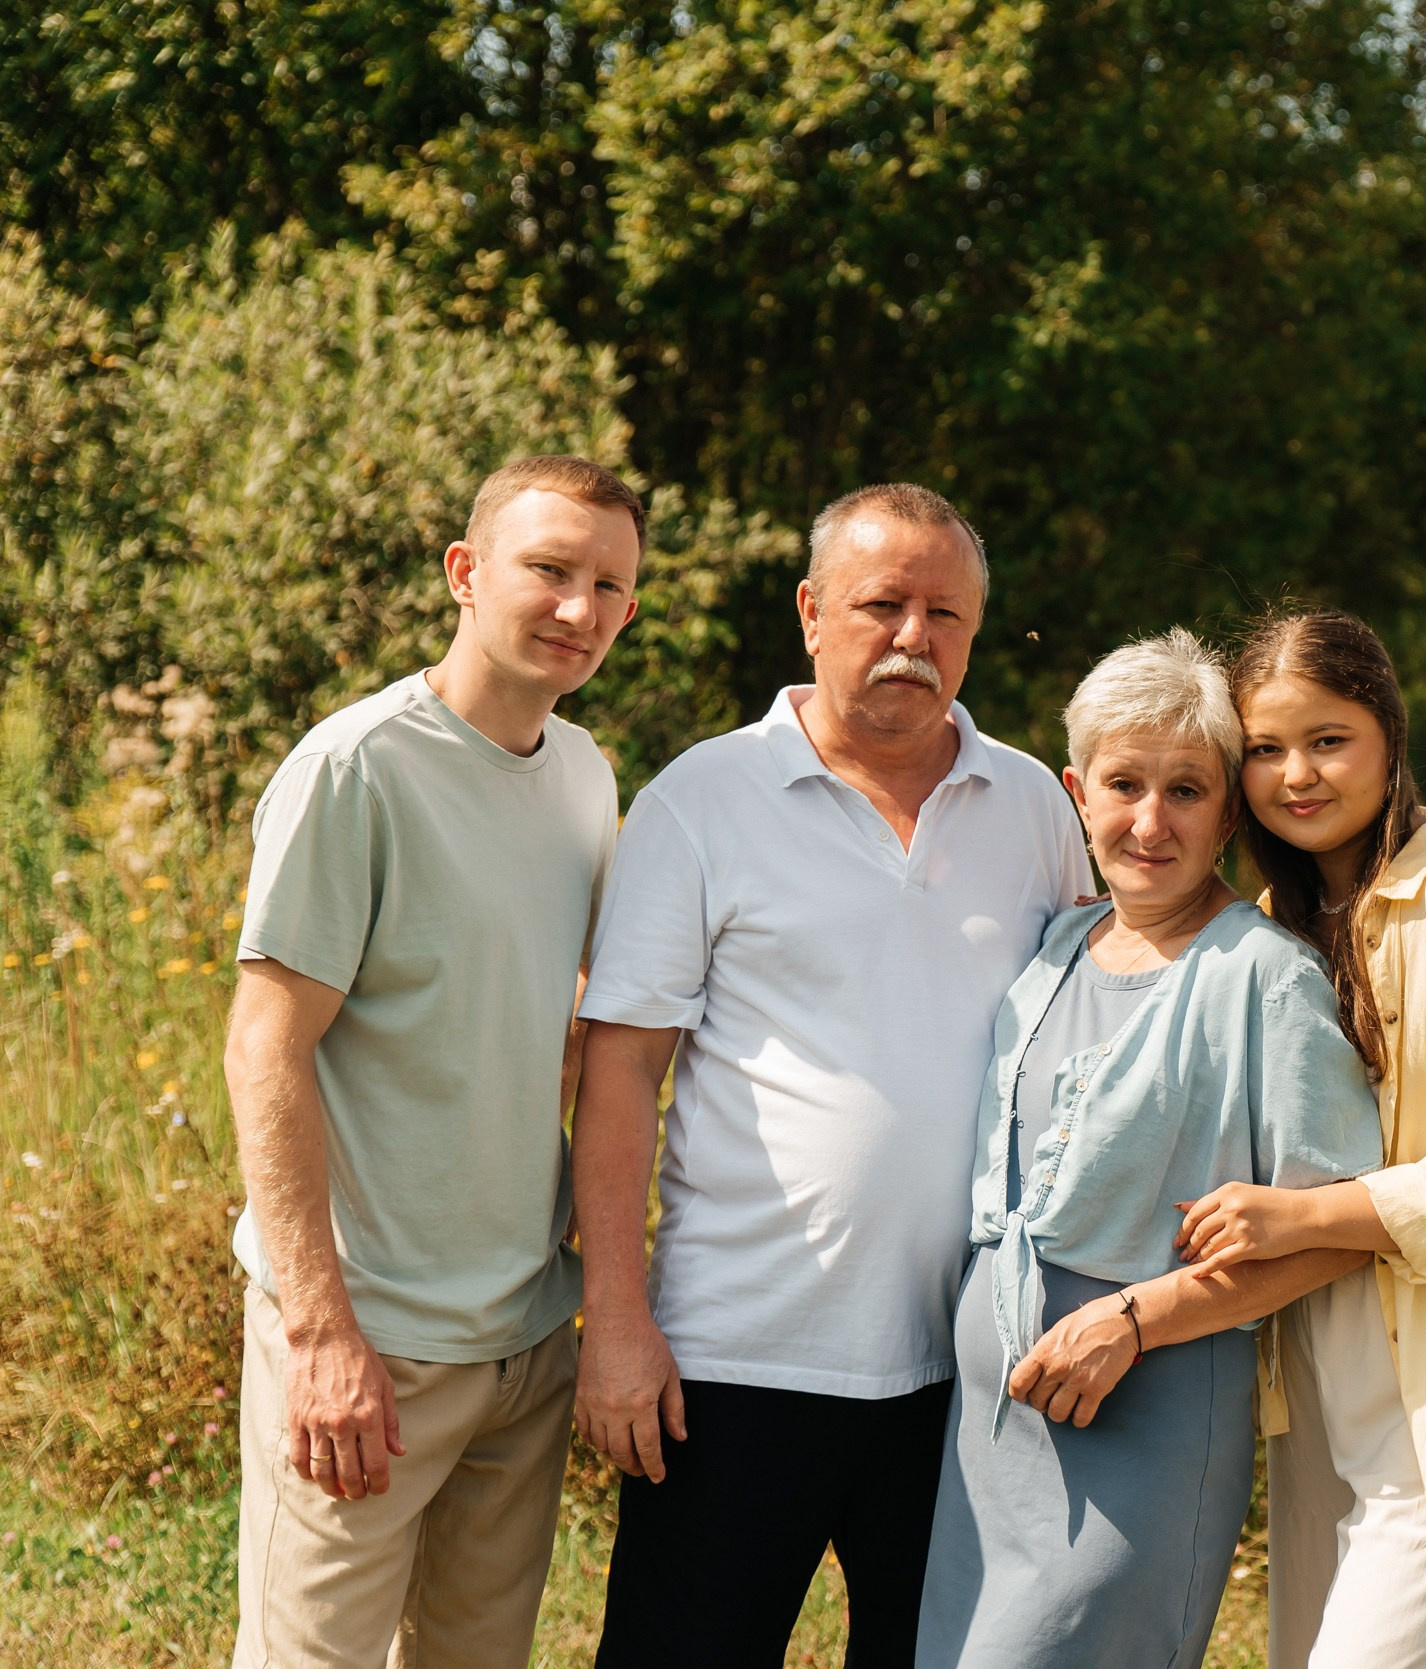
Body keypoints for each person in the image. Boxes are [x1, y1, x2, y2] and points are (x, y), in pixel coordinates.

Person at [571, 484, 1090, 1668]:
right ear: (811, 613)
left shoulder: (1032, 804)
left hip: (962, 1367)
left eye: (945, 613)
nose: (914, 637)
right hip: (735, 1359)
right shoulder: (700, 802)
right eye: (882, 604)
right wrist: (616, 1322)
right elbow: (619, 1076)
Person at [223, 455, 645, 1667]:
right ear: (466, 574)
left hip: (521, 1336)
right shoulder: (355, 768)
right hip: (372, 1340)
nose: (578, 608)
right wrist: (322, 1335)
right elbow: (265, 1044)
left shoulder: (583, 773)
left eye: (608, 586)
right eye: (549, 570)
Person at [914, 629, 1384, 1669]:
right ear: (1079, 791)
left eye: (1185, 789)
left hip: (1145, 1423)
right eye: (1124, 783)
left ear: (1227, 805)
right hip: (992, 1439)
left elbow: (1344, 1228)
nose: (1150, 820)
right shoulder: (1052, 950)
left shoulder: (1265, 977)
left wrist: (1134, 1320)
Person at [1171, 610, 1426, 1669]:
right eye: (1264, 749)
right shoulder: (1272, 921)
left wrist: (1303, 1214)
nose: (1296, 774)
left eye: (1327, 739)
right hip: (1315, 1404)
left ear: (1388, 738)